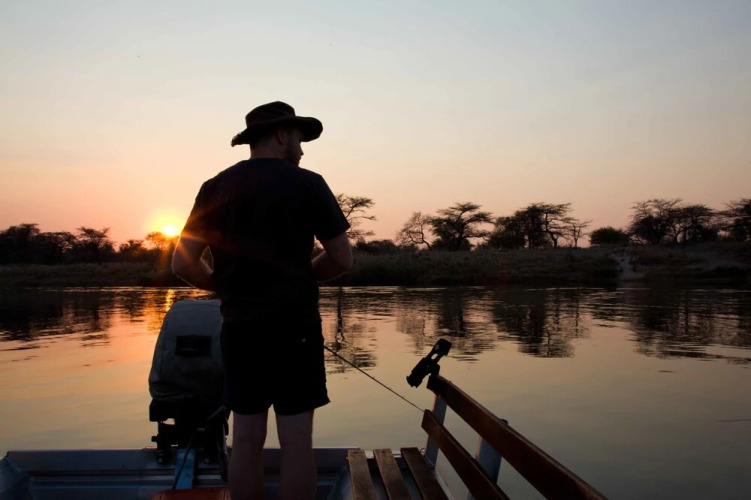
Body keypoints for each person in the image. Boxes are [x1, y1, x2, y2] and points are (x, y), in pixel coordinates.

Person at [172, 101, 353, 499]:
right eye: (300, 139)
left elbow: (182, 263)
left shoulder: (214, 187)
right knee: (296, 441)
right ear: (282, 135)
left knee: (246, 437)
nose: (302, 150)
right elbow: (342, 258)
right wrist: (302, 276)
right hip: (296, 329)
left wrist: (224, 286)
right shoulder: (309, 184)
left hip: (240, 328)